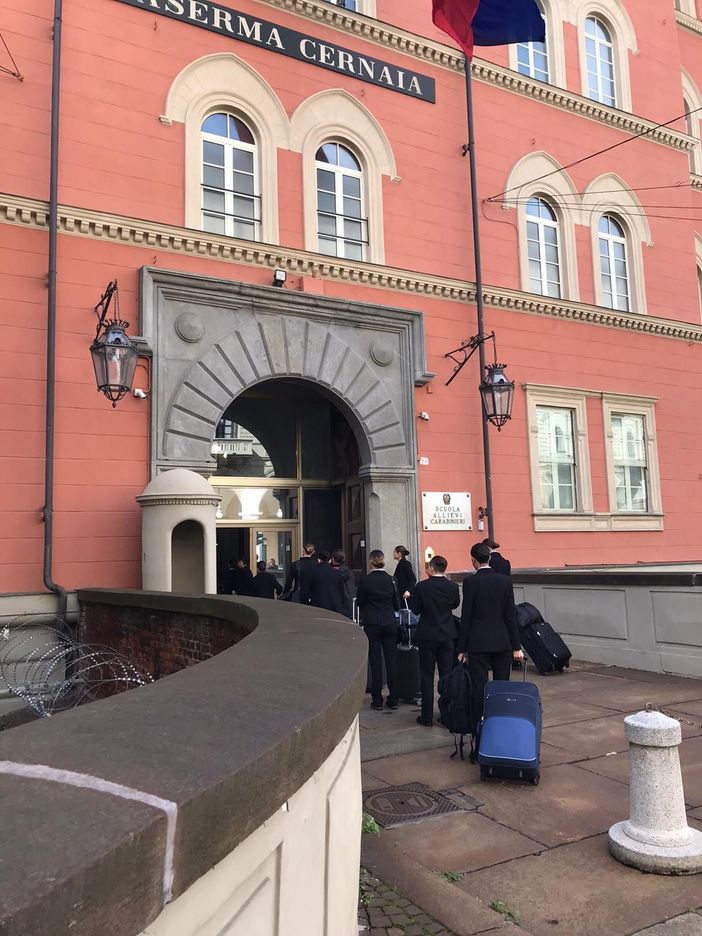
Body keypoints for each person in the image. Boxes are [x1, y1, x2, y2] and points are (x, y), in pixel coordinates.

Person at [458, 542, 524, 729]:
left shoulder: (470, 582)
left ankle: (480, 726)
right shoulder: (505, 581)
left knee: (479, 687)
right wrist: (516, 646)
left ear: (473, 561)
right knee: (502, 686)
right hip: (502, 641)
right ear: (489, 558)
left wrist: (462, 648)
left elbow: (467, 616)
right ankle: (501, 723)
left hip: (478, 643)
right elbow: (510, 615)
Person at [410, 555, 460, 727]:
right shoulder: (452, 586)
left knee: (426, 675)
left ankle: (426, 716)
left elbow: (415, 609)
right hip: (447, 634)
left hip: (427, 634)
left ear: (431, 568)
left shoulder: (422, 586)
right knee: (446, 675)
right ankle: (446, 714)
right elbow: (455, 605)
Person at [356, 549, 399, 711]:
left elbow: (360, 601)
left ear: (370, 562)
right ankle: (393, 698)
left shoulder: (366, 580)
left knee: (375, 661)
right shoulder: (391, 580)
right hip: (389, 622)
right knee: (391, 661)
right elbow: (396, 603)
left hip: (372, 622)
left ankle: (377, 699)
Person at [331, 548, 355, 619]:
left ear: (332, 559)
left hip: (335, 607)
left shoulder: (331, 573)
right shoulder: (349, 572)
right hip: (348, 606)